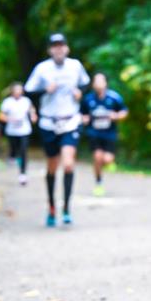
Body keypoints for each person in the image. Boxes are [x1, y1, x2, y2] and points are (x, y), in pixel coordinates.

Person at [24, 33, 90, 226]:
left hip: (70, 120)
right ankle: (52, 206)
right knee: (52, 166)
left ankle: (67, 208)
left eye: (61, 45)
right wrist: (46, 90)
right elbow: (28, 91)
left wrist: (80, 93)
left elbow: (85, 84)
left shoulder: (75, 66)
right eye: (55, 46)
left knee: (68, 163)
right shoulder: (42, 69)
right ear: (50, 50)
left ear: (67, 48)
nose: (58, 49)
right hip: (49, 122)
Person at [81, 72, 128, 196]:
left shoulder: (114, 97)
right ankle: (98, 183)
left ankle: (109, 163)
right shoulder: (88, 99)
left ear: (105, 83)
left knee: (107, 159)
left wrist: (116, 116)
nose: (98, 84)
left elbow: (124, 111)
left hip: (110, 133)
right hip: (94, 133)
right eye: (95, 81)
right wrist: (84, 119)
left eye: (100, 81)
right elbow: (82, 114)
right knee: (97, 157)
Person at [0, 82, 37, 185]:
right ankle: (12, 156)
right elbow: (1, 116)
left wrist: (33, 116)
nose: (18, 92)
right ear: (12, 91)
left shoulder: (26, 101)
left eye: (20, 90)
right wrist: (10, 119)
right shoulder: (7, 102)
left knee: (23, 150)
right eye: (16, 90)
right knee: (14, 149)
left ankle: (22, 173)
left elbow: (32, 109)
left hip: (24, 130)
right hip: (12, 131)